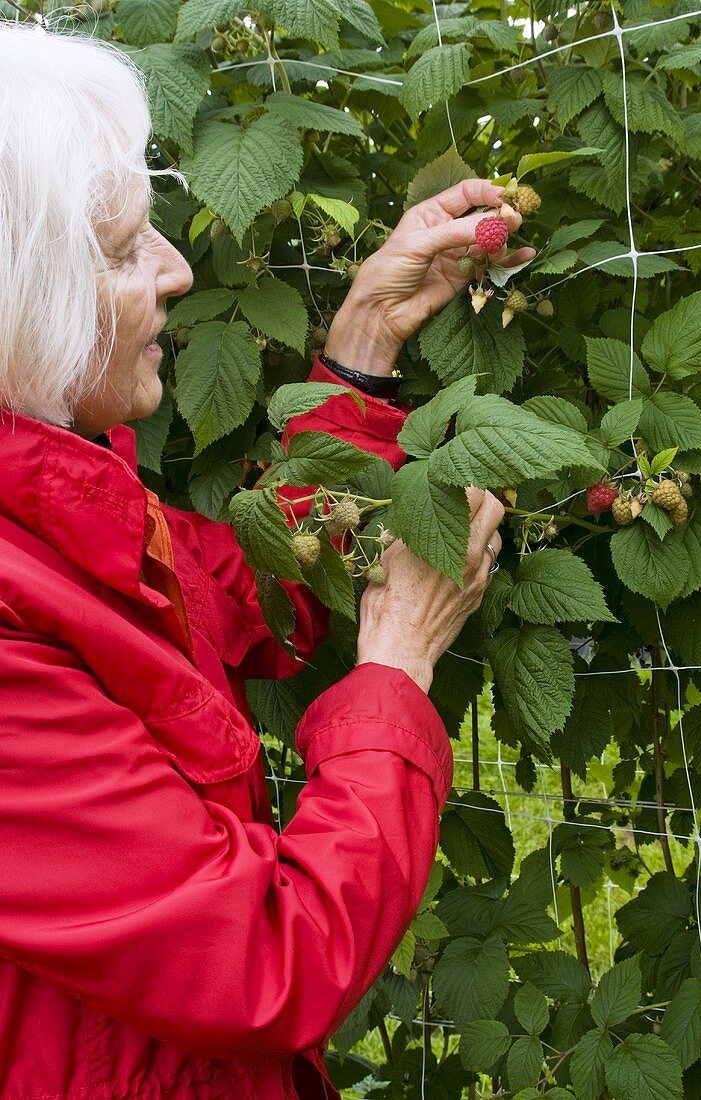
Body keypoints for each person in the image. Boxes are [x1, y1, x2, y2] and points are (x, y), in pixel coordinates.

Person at [0, 21, 531, 1100]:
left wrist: (364, 345)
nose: (179, 268)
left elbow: (234, 595)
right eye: (120, 249)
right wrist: (395, 665)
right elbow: (261, 955)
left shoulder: (56, 504)